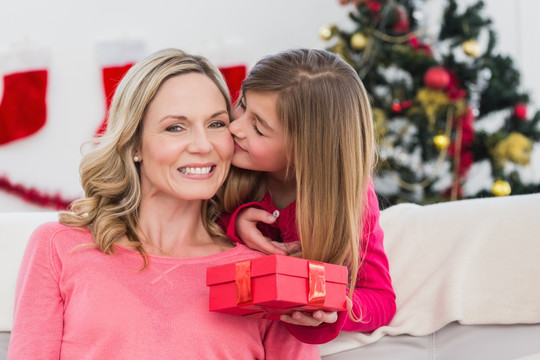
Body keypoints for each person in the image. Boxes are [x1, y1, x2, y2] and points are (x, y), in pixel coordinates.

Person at [8, 48, 320, 360]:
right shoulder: (59, 247)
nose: (203, 146)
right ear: (134, 145)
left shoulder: (263, 269)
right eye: (176, 127)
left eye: (216, 124)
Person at [219, 48, 396, 344]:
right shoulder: (227, 158)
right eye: (242, 106)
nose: (234, 128)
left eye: (258, 128)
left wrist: (337, 307)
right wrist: (233, 224)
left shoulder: (351, 201)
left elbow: (381, 300)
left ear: (306, 153)